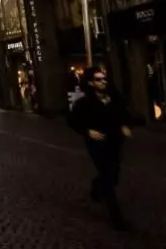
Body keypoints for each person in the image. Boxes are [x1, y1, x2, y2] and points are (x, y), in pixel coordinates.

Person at [68, 67, 132, 231]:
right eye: (98, 79)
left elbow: (123, 114)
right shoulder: (84, 103)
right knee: (107, 175)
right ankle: (116, 217)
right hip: (96, 143)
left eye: (104, 79)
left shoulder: (114, 98)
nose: (103, 82)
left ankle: (96, 187)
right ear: (91, 83)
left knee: (114, 173)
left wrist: (124, 126)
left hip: (114, 141)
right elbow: (73, 121)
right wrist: (87, 131)